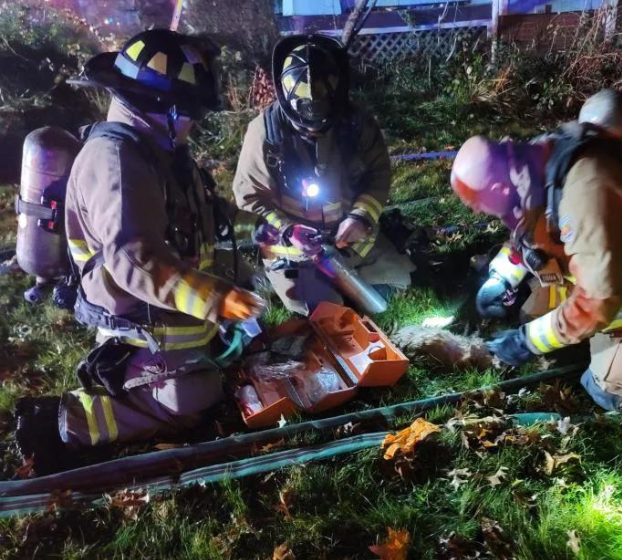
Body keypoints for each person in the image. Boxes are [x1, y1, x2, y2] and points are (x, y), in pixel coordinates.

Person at [14, 29, 274, 475]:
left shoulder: (161, 149)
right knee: (195, 396)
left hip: (173, 315)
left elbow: (211, 216)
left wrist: (268, 226)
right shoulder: (115, 161)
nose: (193, 123)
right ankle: (67, 421)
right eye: (189, 112)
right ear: (164, 109)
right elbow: (135, 261)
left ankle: (189, 360)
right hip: (137, 324)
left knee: (238, 359)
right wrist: (218, 300)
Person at [449, 117, 622, 412]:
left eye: (479, 205)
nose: (481, 212)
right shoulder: (530, 167)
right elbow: (529, 234)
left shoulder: (586, 193)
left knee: (614, 391)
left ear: (498, 187)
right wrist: (501, 278)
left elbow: (596, 303)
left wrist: (527, 342)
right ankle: (599, 343)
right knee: (529, 314)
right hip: (599, 270)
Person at [233, 34, 414, 316]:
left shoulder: (358, 125)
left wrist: (360, 216)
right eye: (305, 126)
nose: (313, 131)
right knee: (328, 311)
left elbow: (378, 174)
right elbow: (249, 198)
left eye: (321, 124)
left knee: (395, 285)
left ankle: (356, 286)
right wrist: (287, 230)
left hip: (352, 242)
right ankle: (325, 296)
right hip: (295, 252)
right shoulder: (264, 134)